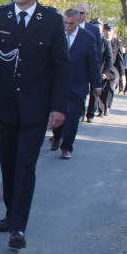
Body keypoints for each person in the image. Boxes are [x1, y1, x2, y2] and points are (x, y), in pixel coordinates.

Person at [0, 0, 69, 250]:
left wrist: (59, 107)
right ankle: (10, 214)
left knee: (24, 164)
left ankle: (19, 227)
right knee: (7, 163)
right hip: (6, 105)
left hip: (36, 107)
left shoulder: (52, 20)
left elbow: (61, 67)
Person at [49, 9, 101, 159]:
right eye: (65, 22)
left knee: (72, 118)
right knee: (56, 114)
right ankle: (57, 136)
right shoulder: (56, 34)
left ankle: (67, 147)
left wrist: (96, 84)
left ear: (79, 21)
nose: (67, 26)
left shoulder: (88, 38)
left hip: (77, 85)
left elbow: (94, 62)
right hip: (57, 85)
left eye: (71, 23)